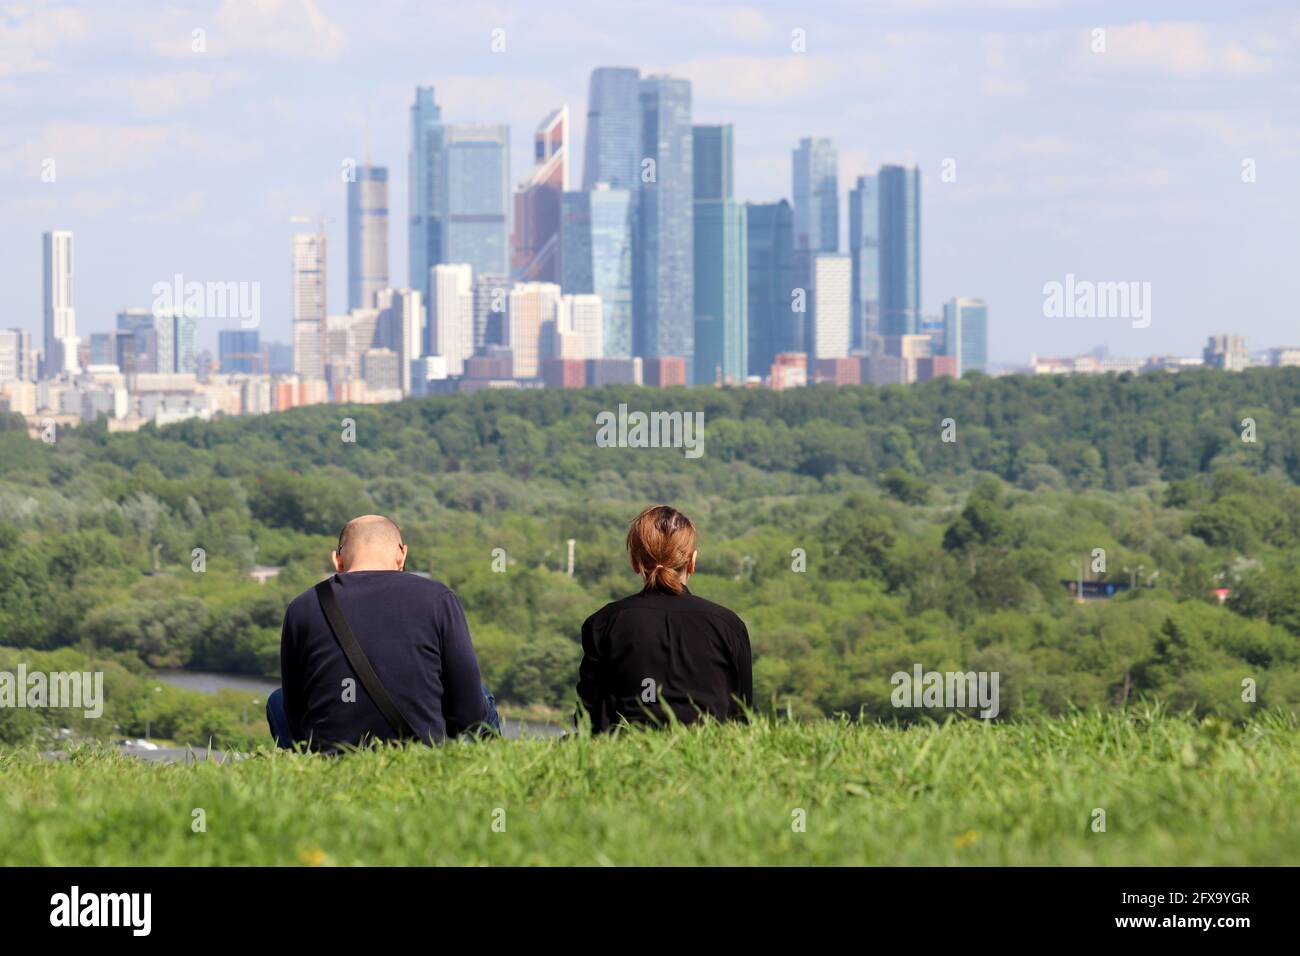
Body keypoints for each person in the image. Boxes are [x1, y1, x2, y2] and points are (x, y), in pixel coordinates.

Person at [266, 514, 499, 751]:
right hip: (421, 752)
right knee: (480, 693)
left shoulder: (302, 607)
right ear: (402, 554)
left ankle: (310, 768)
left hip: (329, 757)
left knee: (278, 700)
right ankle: (489, 769)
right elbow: (468, 715)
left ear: (337, 560)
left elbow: (295, 709)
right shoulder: (438, 599)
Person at [576, 505, 753, 733]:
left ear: (634, 561)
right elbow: (743, 717)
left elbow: (588, 719)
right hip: (710, 755)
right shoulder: (728, 625)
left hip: (626, 754)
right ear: (692, 561)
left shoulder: (603, 623)